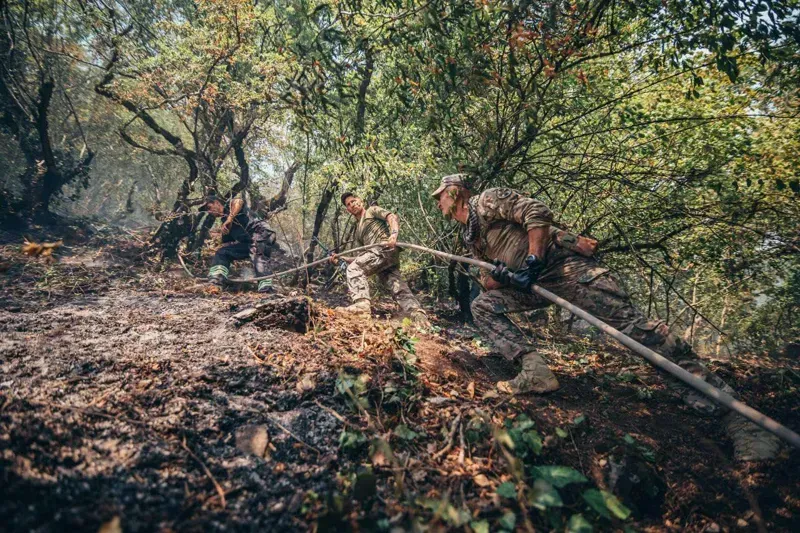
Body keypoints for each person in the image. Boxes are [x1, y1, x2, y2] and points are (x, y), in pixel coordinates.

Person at [431, 173, 780, 461]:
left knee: (637, 332)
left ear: (454, 193)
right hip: (533, 284)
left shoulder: (487, 200)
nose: (437, 203)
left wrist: (533, 261)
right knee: (483, 305)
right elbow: (489, 279)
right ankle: (535, 372)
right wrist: (502, 277)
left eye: (439, 197)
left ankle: (741, 417)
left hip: (566, 270)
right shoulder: (472, 235)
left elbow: (536, 213)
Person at [330, 192, 427, 324]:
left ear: (360, 201)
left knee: (354, 269)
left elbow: (391, 217)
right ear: (347, 210)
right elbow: (364, 256)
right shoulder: (358, 231)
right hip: (380, 259)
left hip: (383, 249)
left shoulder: (372, 210)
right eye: (348, 204)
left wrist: (393, 234)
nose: (352, 205)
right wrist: (342, 258)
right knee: (397, 287)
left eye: (353, 201)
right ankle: (418, 315)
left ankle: (362, 307)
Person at [201, 194, 276, 294]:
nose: (209, 212)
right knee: (222, 252)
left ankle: (266, 290)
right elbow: (226, 244)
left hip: (262, 233)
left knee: (257, 251)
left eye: (209, 207)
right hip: (249, 245)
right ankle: (215, 283)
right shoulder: (224, 224)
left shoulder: (230, 206)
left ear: (217, 203)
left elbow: (238, 201)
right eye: (207, 210)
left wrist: (230, 218)